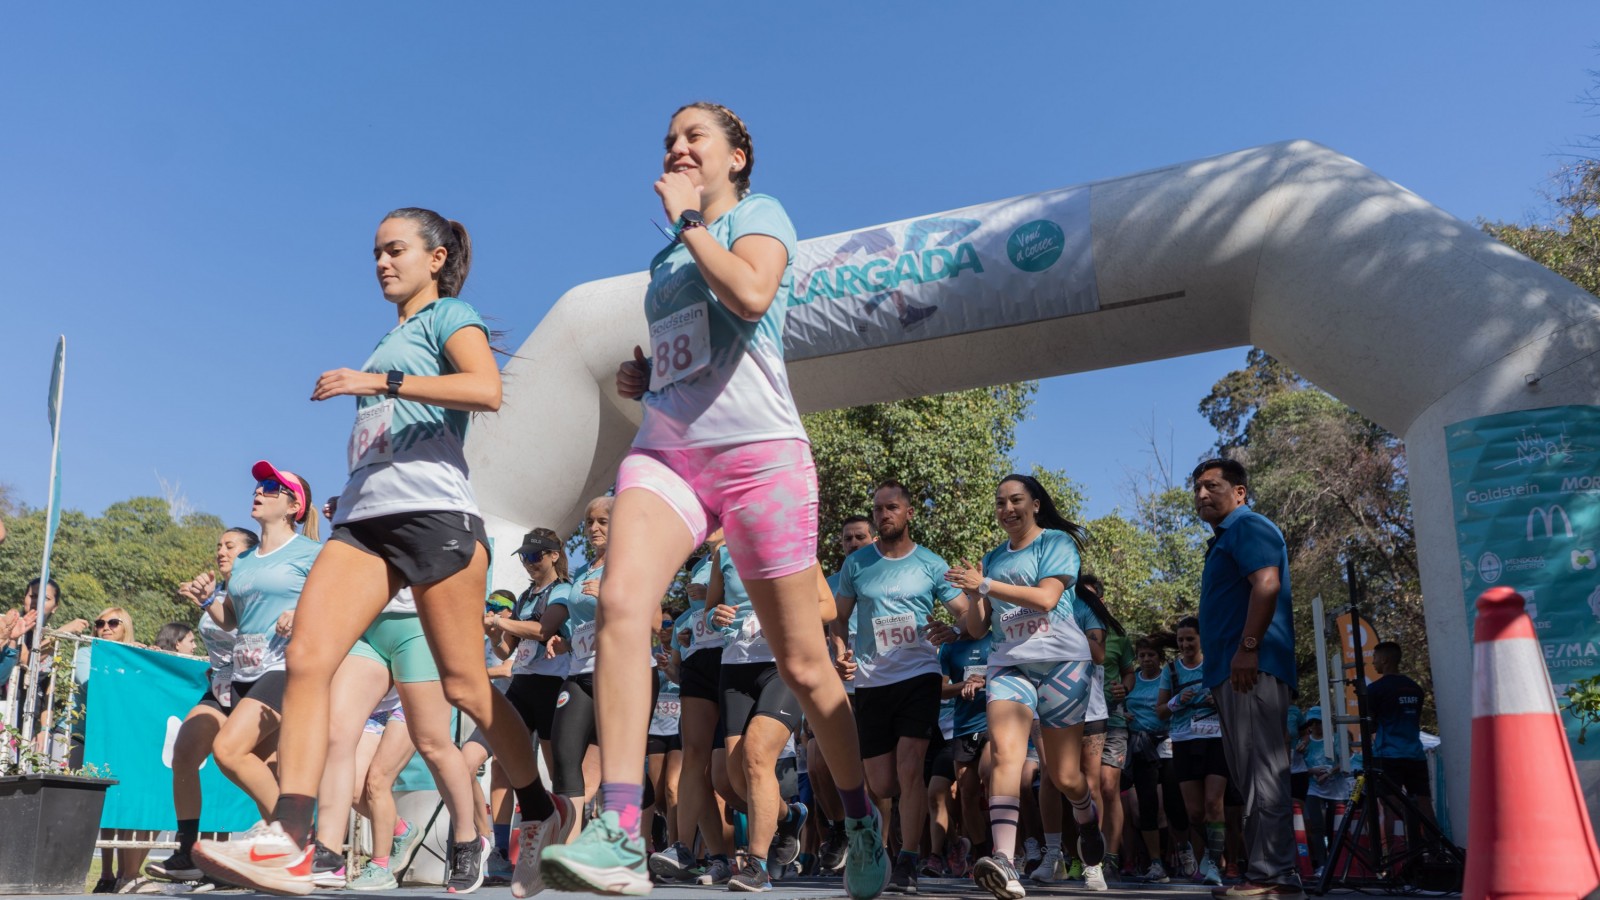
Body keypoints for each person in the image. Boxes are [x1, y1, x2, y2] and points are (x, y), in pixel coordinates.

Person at [541, 102, 887, 900]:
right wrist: (649, 377)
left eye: (694, 135)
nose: (676, 146)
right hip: (668, 451)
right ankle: (620, 831)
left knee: (803, 663)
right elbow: (694, 343)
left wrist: (692, 222)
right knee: (620, 603)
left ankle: (860, 817)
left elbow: (752, 295)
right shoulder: (668, 255)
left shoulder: (755, 217)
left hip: (760, 457)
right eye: (669, 139)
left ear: (736, 158)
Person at [195, 209, 561, 899]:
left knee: (466, 687)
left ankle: (541, 809)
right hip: (364, 521)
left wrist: (380, 383)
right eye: (375, 253)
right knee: (308, 658)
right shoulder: (387, 339)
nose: (382, 264)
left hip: (434, 516)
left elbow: (486, 390)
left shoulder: (449, 316)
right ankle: (292, 837)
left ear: (436, 257)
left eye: (395, 250)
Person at [949, 474, 1100, 900]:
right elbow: (979, 627)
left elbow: (1046, 598)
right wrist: (972, 599)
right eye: (1000, 503)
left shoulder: (1056, 543)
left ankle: (1086, 815)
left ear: (1035, 504)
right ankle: (1004, 860)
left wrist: (984, 585)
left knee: (1065, 775)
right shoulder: (992, 557)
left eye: (1016, 500)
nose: (1007, 509)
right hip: (1009, 663)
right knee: (1005, 755)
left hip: (1063, 663)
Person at [833, 480, 970, 894]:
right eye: (877, 509)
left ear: (909, 513)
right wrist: (839, 650)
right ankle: (885, 837)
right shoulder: (857, 564)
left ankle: (908, 860)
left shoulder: (930, 563)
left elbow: (965, 615)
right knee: (881, 785)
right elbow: (839, 617)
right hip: (872, 680)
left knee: (911, 768)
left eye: (891, 508)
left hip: (919, 674)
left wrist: (955, 630)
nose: (883, 515)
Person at [1192, 458, 1302, 898]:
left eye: (1212, 486)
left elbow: (1267, 584)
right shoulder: (1225, 538)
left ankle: (1274, 875)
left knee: (1263, 772)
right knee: (1250, 777)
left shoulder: (1248, 526)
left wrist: (1248, 648)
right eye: (1197, 488)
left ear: (1239, 492)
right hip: (1232, 672)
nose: (1202, 494)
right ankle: (1267, 872)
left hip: (1251, 669)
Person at [197, 464, 320, 830]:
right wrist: (209, 600)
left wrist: (300, 613)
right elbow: (233, 619)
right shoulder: (244, 562)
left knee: (227, 750)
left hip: (284, 666)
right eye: (258, 485)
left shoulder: (312, 553)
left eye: (270, 487)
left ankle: (297, 837)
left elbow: (336, 604)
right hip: (244, 672)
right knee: (266, 770)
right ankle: (290, 849)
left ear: (293, 506)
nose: (258, 491)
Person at [147, 527, 258, 883]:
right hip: (221, 687)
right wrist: (205, 599)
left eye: (230, 546)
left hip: (258, 685)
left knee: (263, 769)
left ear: (250, 553)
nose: (221, 551)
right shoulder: (218, 592)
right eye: (219, 546)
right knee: (184, 754)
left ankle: (295, 839)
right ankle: (187, 852)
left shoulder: (258, 589)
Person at [650, 533, 738, 886]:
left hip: (733, 659)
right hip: (699, 662)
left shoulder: (741, 553)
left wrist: (716, 601)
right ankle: (695, 851)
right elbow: (699, 618)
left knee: (726, 777)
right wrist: (687, 636)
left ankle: (785, 817)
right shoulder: (702, 564)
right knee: (693, 761)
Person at [1156, 616, 1226, 885]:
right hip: (1184, 740)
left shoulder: (1216, 663)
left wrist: (1219, 701)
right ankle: (1211, 849)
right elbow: (1160, 711)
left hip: (1215, 738)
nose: (1185, 644)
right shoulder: (1171, 670)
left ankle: (1214, 863)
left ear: (1201, 639)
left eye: (1190, 639)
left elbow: (1236, 699)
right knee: (1195, 812)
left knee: (1213, 804)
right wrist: (1177, 701)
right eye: (1180, 640)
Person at [1366, 641, 1431, 817]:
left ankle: (1394, 837)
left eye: (1375, 657)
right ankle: (1432, 836)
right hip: (1415, 755)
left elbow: (1369, 725)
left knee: (1390, 807)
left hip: (1388, 756)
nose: (1373, 662)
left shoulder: (1375, 689)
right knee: (1424, 804)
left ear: (1385, 660)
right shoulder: (1415, 688)